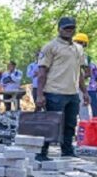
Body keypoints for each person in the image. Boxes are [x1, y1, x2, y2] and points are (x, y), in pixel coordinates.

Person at [36, 16, 91, 161]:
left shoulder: (78, 48)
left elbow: (79, 72)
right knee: (51, 124)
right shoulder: (50, 47)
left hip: (72, 93)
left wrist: (85, 92)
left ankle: (67, 151)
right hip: (54, 92)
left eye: (71, 28)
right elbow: (42, 72)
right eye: (66, 28)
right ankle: (42, 152)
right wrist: (40, 95)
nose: (69, 30)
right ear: (59, 29)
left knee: (70, 124)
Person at [74, 33, 97, 118]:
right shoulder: (69, 53)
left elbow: (88, 73)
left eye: (79, 42)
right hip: (72, 86)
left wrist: (78, 79)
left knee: (83, 109)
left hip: (80, 86)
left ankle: (86, 124)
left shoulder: (84, 56)